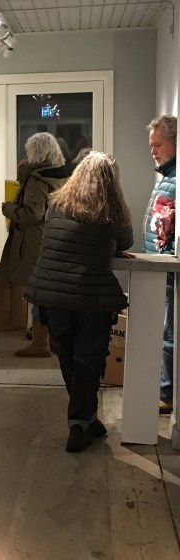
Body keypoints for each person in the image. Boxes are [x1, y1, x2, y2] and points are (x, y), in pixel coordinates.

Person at [24, 152, 134, 452]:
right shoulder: (111, 211)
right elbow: (126, 242)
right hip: (90, 296)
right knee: (88, 359)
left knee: (69, 356)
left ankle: (86, 418)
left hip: (52, 295)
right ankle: (79, 424)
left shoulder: (56, 204)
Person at [0, 132, 69, 357]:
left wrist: (8, 208)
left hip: (36, 241)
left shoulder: (38, 180)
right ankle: (48, 337)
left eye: (28, 150)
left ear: (35, 152)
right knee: (48, 292)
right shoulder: (61, 175)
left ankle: (40, 344)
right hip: (55, 238)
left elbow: (32, 214)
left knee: (38, 292)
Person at [143, 115, 177, 414]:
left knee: (169, 336)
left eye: (158, 144)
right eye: (151, 145)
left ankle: (167, 393)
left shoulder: (174, 180)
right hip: (158, 269)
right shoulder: (168, 177)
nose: (153, 151)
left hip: (168, 271)